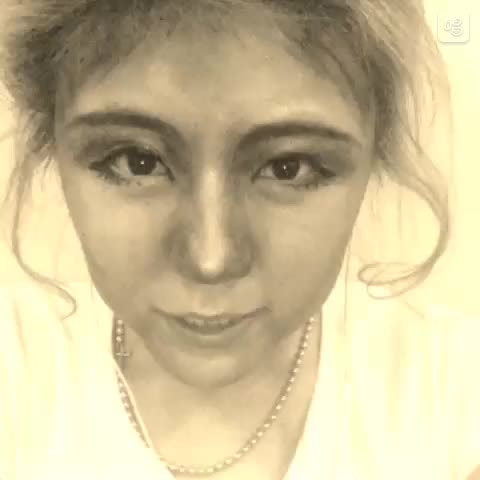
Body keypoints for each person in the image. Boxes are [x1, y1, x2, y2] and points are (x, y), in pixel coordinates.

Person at [0, 1, 479, 479]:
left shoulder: (451, 394)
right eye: (136, 161)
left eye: (287, 167)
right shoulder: (16, 370)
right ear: (52, 146)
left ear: (375, 156)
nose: (210, 258)